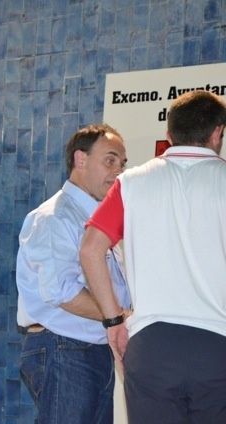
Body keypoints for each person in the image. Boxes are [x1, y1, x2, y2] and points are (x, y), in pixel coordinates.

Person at [80, 91, 226, 423]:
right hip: (218, 346)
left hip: (151, 347)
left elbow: (90, 250)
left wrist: (114, 321)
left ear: (169, 134)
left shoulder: (130, 182)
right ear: (217, 133)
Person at [16, 123, 130, 423]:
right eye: (110, 160)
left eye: (122, 164)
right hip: (64, 348)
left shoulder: (96, 219)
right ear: (81, 159)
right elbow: (62, 292)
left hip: (93, 348)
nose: (118, 172)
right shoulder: (54, 217)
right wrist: (119, 316)